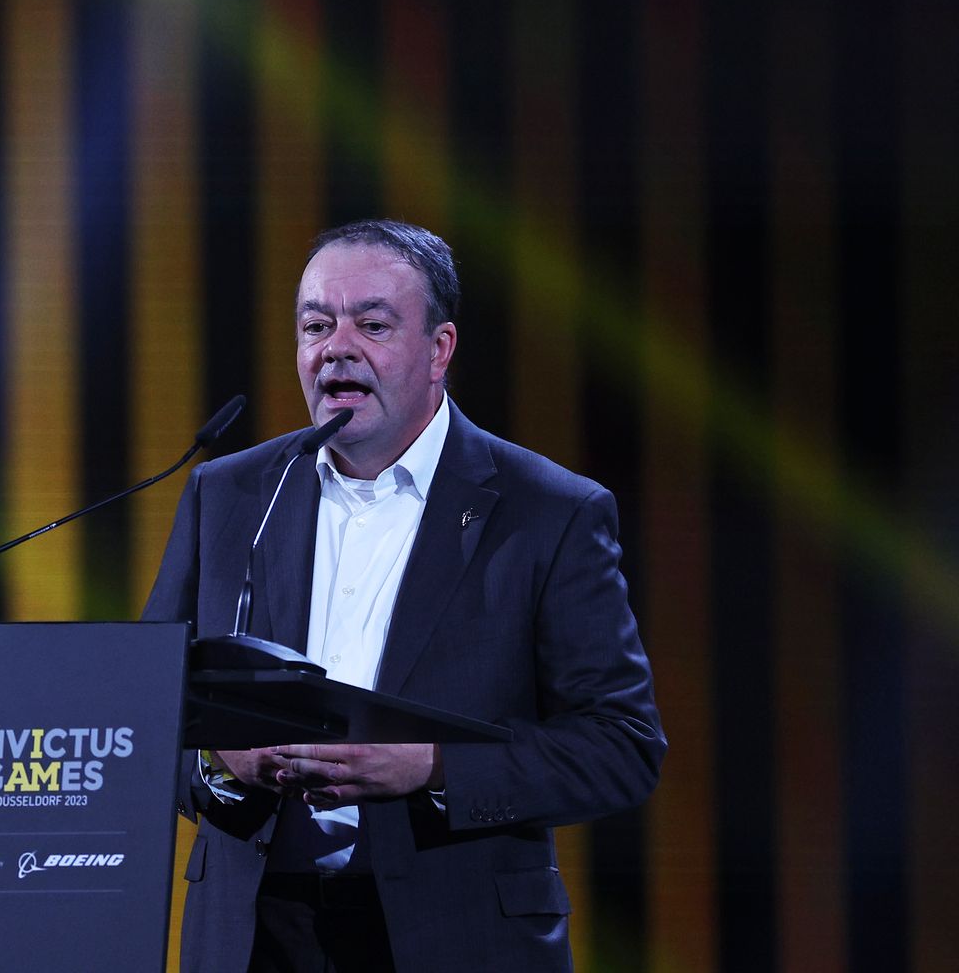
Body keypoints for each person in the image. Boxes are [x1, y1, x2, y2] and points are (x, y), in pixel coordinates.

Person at [141, 220, 665, 972]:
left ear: (439, 350)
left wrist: (432, 767)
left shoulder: (548, 510)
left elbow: (621, 745)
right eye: (316, 325)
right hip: (255, 935)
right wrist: (221, 766)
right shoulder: (227, 496)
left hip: (455, 934)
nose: (336, 348)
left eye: (373, 324)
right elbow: (145, 711)